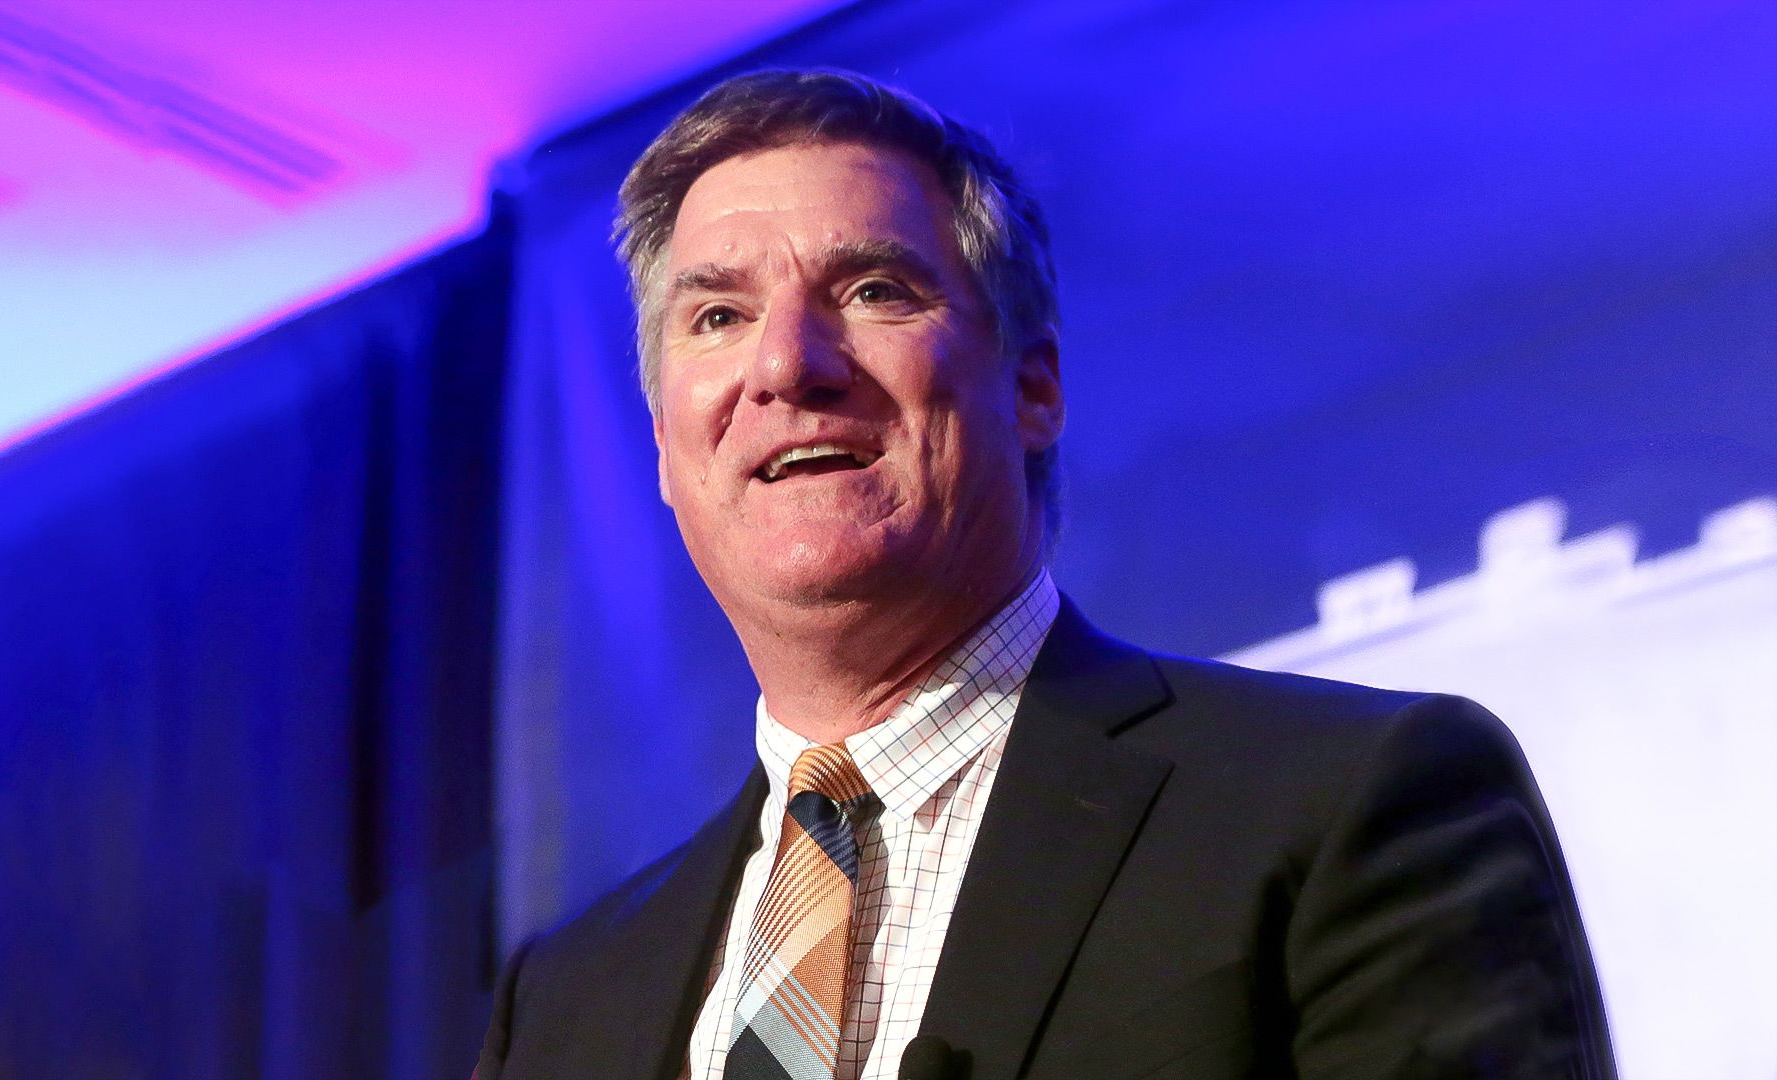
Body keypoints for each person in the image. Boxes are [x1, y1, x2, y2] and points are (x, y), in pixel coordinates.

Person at [475, 69, 1614, 1080]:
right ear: (665, 445)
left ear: (1033, 388)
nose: (786, 364)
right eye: (719, 315)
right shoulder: (565, 1003)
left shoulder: (1348, 805)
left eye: (874, 292)